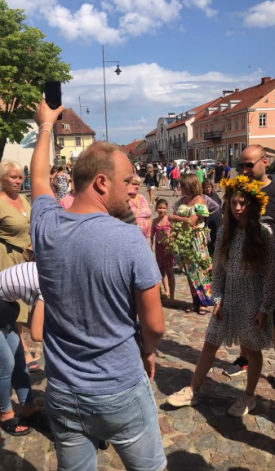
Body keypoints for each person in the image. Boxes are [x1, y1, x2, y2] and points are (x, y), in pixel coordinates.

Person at [30, 100, 166, 471]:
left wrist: (45, 125)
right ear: (101, 182)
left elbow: (39, 179)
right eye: (128, 181)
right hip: (118, 387)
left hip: (63, 390)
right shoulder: (129, 240)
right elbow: (154, 325)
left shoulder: (45, 227)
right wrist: (147, 352)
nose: (134, 188)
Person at [167, 175, 275, 416]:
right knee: (210, 342)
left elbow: (270, 275)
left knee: (252, 347)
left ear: (252, 204)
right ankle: (192, 390)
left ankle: (249, 396)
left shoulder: (264, 235)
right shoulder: (227, 233)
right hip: (227, 298)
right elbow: (218, 269)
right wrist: (217, 299)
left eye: (243, 203)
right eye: (234, 203)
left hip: (252, 299)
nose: (237, 208)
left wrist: (264, 308)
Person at [225, 144, 275, 378]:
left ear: (265, 162)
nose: (244, 169)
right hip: (248, 265)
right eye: (241, 165)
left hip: (271, 264)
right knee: (247, 316)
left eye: (248, 164)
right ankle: (244, 359)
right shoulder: (239, 189)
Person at [0, 262, 49, 436]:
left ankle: (28, 408)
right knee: (6, 362)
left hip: (5, 309)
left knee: (19, 359)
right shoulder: (50, 281)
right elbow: (36, 333)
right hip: (3, 306)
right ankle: (5, 414)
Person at [0, 160, 39, 372]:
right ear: (2, 179)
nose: (17, 181)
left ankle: (15, 343)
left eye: (19, 177)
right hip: (6, 257)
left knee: (26, 303)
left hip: (26, 256)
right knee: (14, 303)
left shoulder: (24, 199)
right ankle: (22, 348)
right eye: (12, 177)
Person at [169, 174, 213, 315]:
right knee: (189, 271)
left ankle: (204, 302)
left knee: (199, 270)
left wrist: (176, 218)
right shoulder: (183, 199)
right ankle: (195, 301)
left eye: (182, 185)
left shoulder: (199, 200)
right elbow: (173, 217)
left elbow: (191, 221)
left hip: (196, 239)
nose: (180, 188)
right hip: (184, 239)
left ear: (190, 185)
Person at [151, 199, 176, 307]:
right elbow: (152, 235)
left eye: (164, 208)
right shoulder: (155, 221)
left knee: (170, 273)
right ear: (156, 209)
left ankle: (172, 297)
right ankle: (166, 290)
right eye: (160, 208)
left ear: (167, 209)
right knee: (161, 272)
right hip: (159, 249)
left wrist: (172, 240)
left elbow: (175, 233)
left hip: (168, 249)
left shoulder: (169, 220)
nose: (162, 210)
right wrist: (151, 245)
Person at [128, 176, 152, 240]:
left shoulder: (141, 197)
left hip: (145, 237)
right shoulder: (124, 199)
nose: (137, 186)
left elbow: (149, 217)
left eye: (138, 184)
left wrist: (150, 234)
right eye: (134, 184)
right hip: (131, 237)